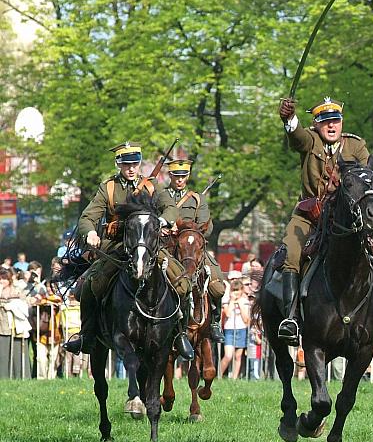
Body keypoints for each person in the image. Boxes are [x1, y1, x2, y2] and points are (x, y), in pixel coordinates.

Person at [276, 97, 373, 344]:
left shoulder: (356, 146)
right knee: (292, 252)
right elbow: (296, 137)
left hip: (350, 216)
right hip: (312, 215)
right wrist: (289, 119)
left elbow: (367, 178)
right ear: (316, 124)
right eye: (325, 121)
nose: (331, 125)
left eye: (335, 120)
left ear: (341, 122)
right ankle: (291, 319)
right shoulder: (310, 140)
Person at [63, 142, 193, 360]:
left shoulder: (151, 185)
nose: (131, 168)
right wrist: (90, 233)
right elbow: (88, 216)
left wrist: (162, 221)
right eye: (126, 165)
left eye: (134, 164)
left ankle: (180, 334)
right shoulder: (108, 188)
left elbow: (170, 207)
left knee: (182, 282)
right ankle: (87, 335)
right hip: (117, 246)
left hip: (148, 246)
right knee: (90, 284)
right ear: (118, 164)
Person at [165, 158, 226, 344]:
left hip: (192, 248)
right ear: (170, 175)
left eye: (183, 176)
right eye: (176, 176)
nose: (180, 179)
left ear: (188, 176)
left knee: (216, 282)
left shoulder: (197, 199)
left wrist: (188, 229)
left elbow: (207, 226)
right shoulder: (161, 196)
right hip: (166, 247)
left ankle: (214, 322)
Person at [220, 278, 251, 379]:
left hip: (241, 329)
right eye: (234, 290)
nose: (236, 293)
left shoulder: (245, 302)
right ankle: (219, 375)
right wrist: (232, 302)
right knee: (228, 355)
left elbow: (246, 319)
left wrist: (241, 306)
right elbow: (227, 314)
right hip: (229, 329)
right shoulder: (227, 301)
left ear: (242, 290)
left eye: (238, 290)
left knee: (238, 356)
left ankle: (234, 378)